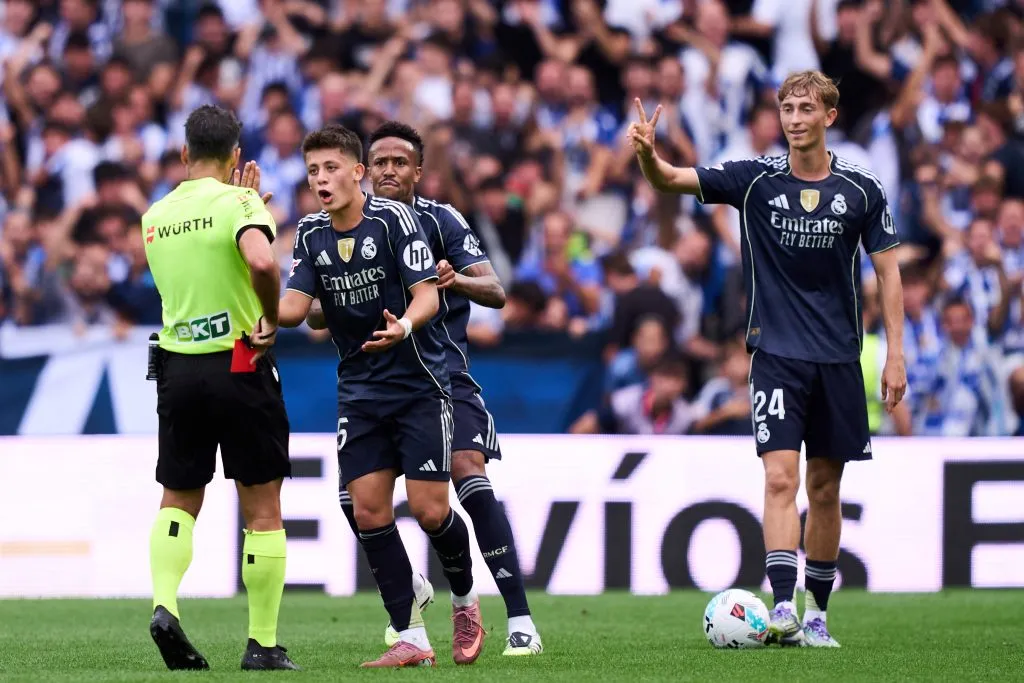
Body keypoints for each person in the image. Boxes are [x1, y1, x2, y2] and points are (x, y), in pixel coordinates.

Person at [629, 70, 908, 647]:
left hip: (838, 357)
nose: (795, 119)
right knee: (780, 478)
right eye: (786, 108)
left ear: (829, 116)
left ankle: (818, 615)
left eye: (806, 108)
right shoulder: (753, 179)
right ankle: (783, 605)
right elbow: (671, 181)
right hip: (776, 355)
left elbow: (888, 271)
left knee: (825, 487)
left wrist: (896, 356)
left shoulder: (862, 189)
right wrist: (648, 158)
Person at [278, 124, 484, 668]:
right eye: (313, 171)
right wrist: (247, 291)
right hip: (360, 391)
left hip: (419, 384)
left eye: (330, 168)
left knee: (430, 510)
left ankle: (464, 597)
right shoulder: (309, 232)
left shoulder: (395, 220)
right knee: (367, 511)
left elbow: (426, 298)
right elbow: (296, 312)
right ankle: (412, 636)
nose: (321, 180)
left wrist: (404, 327)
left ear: (357, 173)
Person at [362, 120, 543, 656]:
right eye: (380, 162)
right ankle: (410, 584)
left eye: (400, 162)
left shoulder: (441, 220)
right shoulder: (346, 227)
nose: (389, 170)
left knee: (467, 468)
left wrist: (455, 279)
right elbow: (320, 315)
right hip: (374, 387)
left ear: (418, 171)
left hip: (442, 379)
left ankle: (520, 620)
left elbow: (496, 290)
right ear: (365, 171)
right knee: (359, 501)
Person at [143, 105, 297, 671]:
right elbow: (259, 261)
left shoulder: (154, 215)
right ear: (237, 155)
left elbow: (202, 257)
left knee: (178, 497)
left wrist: (245, 206)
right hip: (238, 359)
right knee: (262, 505)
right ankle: (262, 644)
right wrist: (271, 316)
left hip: (176, 365)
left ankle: (165, 606)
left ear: (184, 153)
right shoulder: (241, 203)